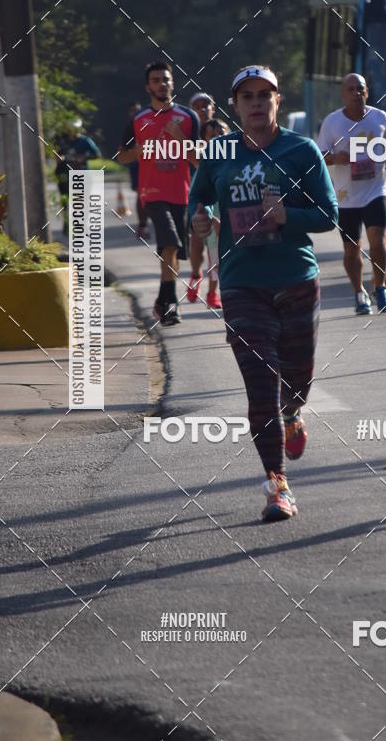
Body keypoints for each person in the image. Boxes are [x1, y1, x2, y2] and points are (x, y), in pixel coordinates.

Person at [189, 65, 338, 521]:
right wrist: (199, 221)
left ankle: (294, 413)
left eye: (264, 94)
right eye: (247, 96)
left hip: (295, 279)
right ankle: (277, 485)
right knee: (260, 387)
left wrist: (285, 215)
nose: (256, 102)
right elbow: (198, 202)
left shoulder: (302, 150)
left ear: (278, 100)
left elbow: (329, 215)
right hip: (241, 284)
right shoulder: (218, 152)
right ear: (235, 105)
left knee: (297, 379)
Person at [118, 61, 200, 326]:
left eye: (165, 79)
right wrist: (139, 151)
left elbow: (199, 160)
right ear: (148, 87)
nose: (161, 84)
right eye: (156, 80)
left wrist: (180, 138)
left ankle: (162, 301)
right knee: (170, 243)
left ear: (172, 83)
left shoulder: (189, 118)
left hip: (181, 193)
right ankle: (170, 305)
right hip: (152, 192)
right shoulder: (139, 120)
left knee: (174, 250)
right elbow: (121, 156)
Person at [317, 73, 386, 315]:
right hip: (346, 196)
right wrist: (334, 158)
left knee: (378, 240)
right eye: (350, 89)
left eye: (360, 88)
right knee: (352, 249)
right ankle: (358, 292)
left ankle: (380, 287)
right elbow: (319, 155)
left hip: (375, 190)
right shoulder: (332, 123)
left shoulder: (381, 118)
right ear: (343, 94)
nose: (356, 93)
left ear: (367, 92)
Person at [185, 103, 227, 309]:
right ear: (204, 140)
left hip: (227, 209)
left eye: (222, 134)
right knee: (201, 247)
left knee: (217, 252)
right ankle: (195, 276)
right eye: (213, 136)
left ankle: (212, 293)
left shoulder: (236, 156)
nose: (219, 139)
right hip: (204, 208)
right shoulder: (203, 157)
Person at [54, 119, 101, 233]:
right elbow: (56, 154)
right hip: (65, 175)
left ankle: (80, 224)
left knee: (81, 201)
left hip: (81, 174)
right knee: (66, 200)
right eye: (70, 130)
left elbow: (97, 154)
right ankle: (67, 223)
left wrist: (84, 157)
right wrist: (60, 158)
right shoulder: (62, 141)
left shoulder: (85, 141)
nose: (72, 133)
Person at [124, 101, 150, 240]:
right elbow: (124, 150)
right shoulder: (131, 128)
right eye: (133, 110)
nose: (136, 112)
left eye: (138, 110)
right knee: (141, 194)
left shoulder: (148, 123)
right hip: (137, 165)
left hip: (152, 164)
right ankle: (142, 226)